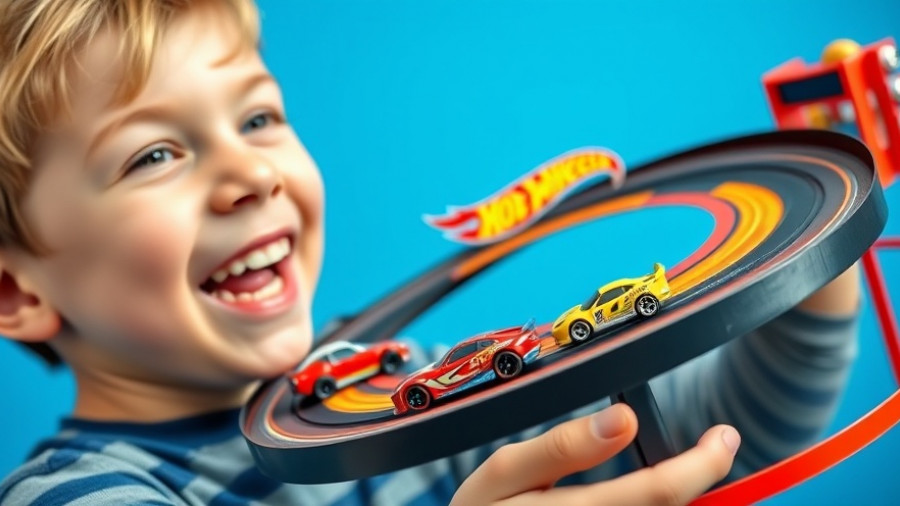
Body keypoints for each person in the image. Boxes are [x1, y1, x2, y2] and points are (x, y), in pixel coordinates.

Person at [0, 1, 860, 504]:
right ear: (15, 292)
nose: (250, 174)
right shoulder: (78, 495)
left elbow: (714, 438)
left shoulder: (385, 386)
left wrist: (808, 263)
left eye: (257, 118)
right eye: (153, 155)